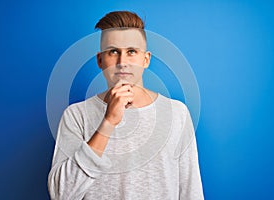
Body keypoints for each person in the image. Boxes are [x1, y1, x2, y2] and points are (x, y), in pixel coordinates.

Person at [48, 11, 204, 200]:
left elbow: (191, 191)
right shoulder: (76, 115)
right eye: (113, 52)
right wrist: (108, 122)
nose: (122, 63)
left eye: (131, 51)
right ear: (100, 60)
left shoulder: (177, 114)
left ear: (145, 59)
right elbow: (60, 194)